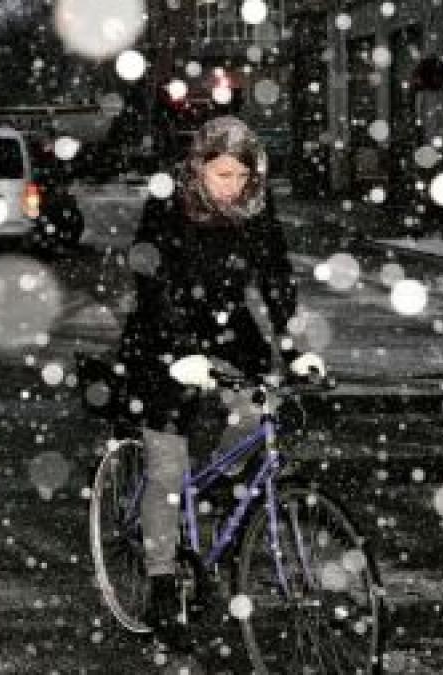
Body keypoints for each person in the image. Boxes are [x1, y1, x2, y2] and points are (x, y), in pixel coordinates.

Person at [114, 116, 323, 646]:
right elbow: (152, 278)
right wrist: (179, 350)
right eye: (221, 173)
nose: (230, 185)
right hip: (162, 339)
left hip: (231, 335)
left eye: (239, 175)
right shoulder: (168, 204)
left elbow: (276, 278)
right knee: (166, 464)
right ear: (199, 167)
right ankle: (162, 578)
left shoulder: (256, 207)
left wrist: (297, 352)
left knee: (256, 415)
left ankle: (222, 497)